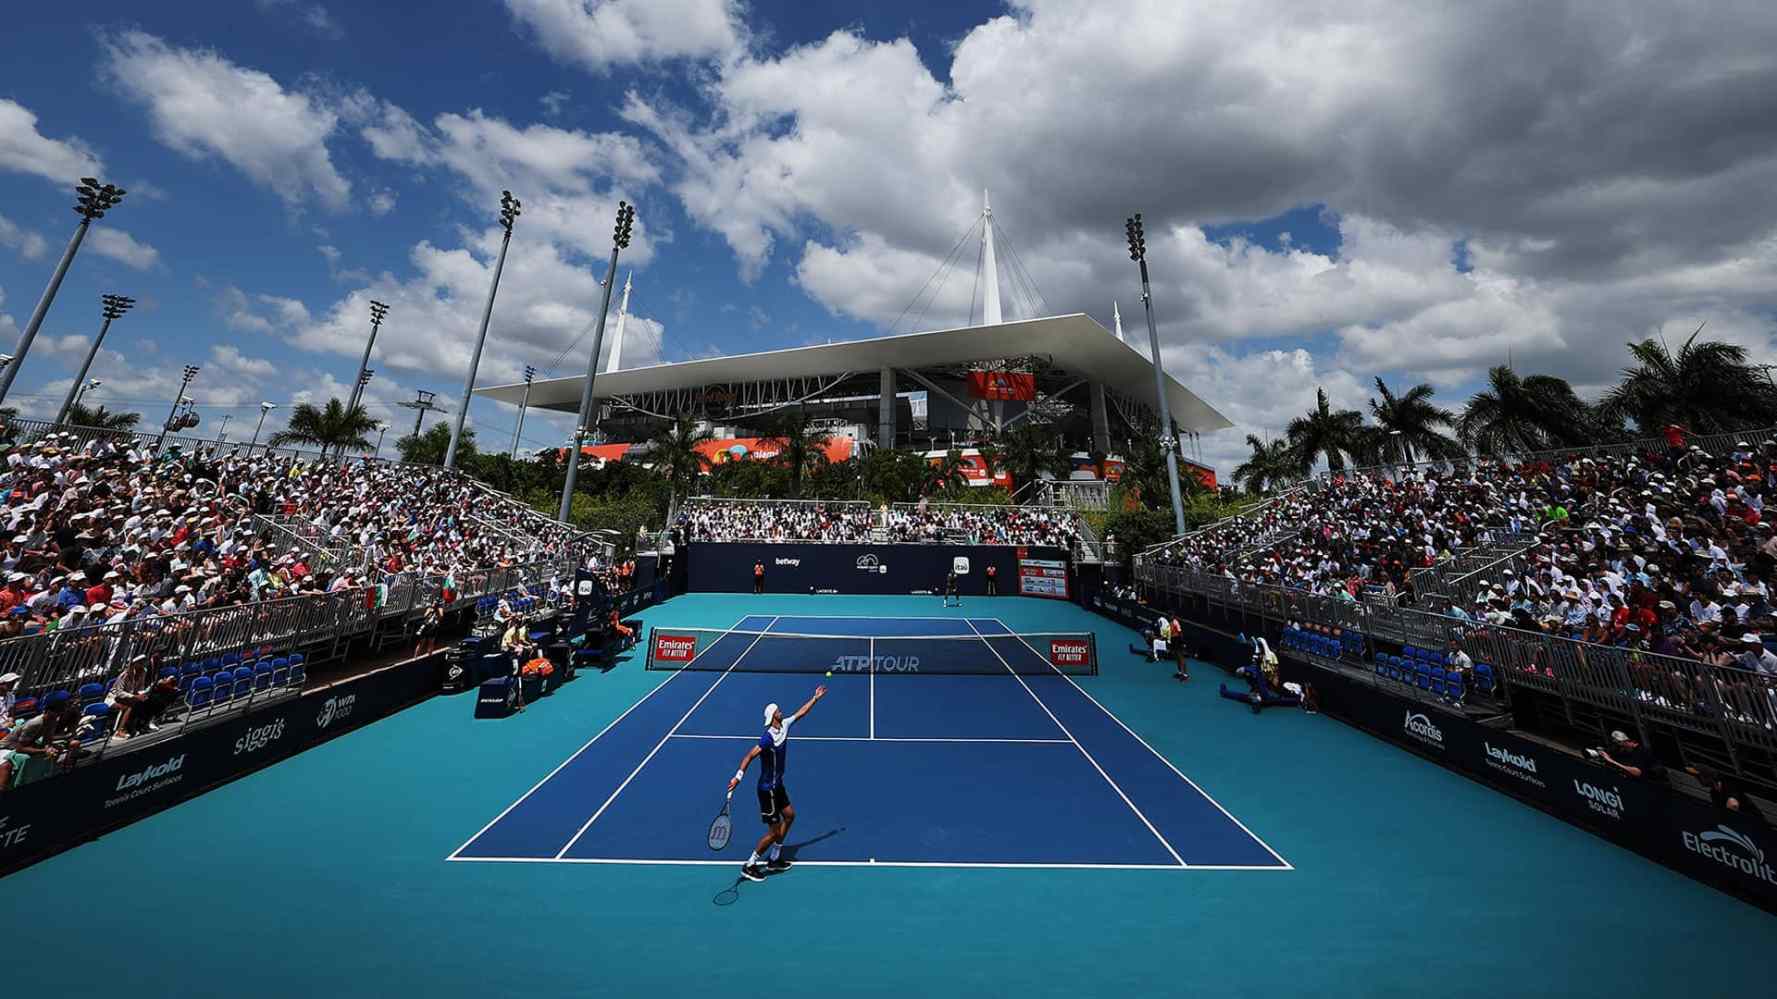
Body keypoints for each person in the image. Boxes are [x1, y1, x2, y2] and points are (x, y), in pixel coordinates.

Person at [726, 685, 827, 882]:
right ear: (773, 716)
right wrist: (738, 777)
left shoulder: (785, 725)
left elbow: (800, 713)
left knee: (790, 816)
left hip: (778, 785)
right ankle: (750, 864)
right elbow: (749, 756)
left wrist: (815, 698)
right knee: (773, 832)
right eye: (778, 710)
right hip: (767, 791)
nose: (782, 711)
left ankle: (774, 859)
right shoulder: (767, 738)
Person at [0, 695, 78, 792]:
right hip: (7, 747)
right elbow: (19, 748)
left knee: (56, 750)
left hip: (27, 744)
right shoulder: (35, 723)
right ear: (48, 711)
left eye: (60, 714)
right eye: (56, 713)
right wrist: (43, 750)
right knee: (18, 761)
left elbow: (47, 741)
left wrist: (50, 748)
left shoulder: (52, 721)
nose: (58, 717)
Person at [1686, 765, 1768, 826]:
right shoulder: (1714, 793)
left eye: (1698, 777)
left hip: (1756, 824)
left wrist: (1727, 821)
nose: (1697, 779)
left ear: (1708, 777)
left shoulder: (1728, 785)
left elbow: (1733, 805)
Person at [1593, 729, 1665, 781]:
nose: (1618, 746)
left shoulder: (1642, 752)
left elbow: (1637, 772)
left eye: (1619, 743)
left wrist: (1611, 761)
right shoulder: (1621, 750)